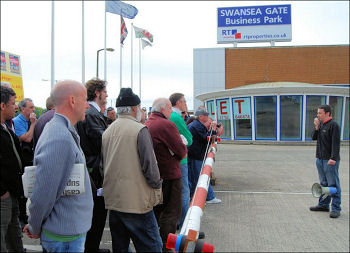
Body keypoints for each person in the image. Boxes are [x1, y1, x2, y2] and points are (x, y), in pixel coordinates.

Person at [23, 80, 93, 252]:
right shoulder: (59, 136)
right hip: (64, 237)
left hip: (66, 234)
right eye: (84, 100)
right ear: (72, 100)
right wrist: (34, 225)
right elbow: (44, 191)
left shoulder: (62, 129)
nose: (88, 106)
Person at [102, 88, 163, 252]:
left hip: (114, 200)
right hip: (137, 202)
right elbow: (150, 167)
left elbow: (104, 165)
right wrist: (157, 187)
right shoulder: (139, 130)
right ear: (135, 108)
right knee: (152, 246)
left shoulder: (107, 131)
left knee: (120, 247)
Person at [145, 98, 187, 250]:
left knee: (156, 212)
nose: (171, 112)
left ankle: (156, 243)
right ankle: (166, 246)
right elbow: (181, 151)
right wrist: (182, 148)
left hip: (154, 175)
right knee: (171, 212)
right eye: (170, 109)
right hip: (169, 175)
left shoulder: (147, 123)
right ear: (163, 109)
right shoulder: (166, 125)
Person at [75, 78, 109, 252]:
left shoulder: (92, 114)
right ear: (97, 93)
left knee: (96, 219)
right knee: (95, 219)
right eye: (105, 91)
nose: (107, 95)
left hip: (93, 170)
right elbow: (102, 142)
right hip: (94, 172)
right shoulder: (91, 115)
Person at [0, 86, 25, 252]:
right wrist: (2, 191)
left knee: (14, 237)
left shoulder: (5, 127)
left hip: (12, 194)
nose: (15, 106)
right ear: (2, 105)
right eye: (13, 103)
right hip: (4, 196)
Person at [310, 104, 341, 218]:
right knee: (324, 184)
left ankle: (336, 208)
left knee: (333, 185)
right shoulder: (321, 124)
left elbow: (336, 144)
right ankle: (323, 205)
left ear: (327, 113)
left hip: (330, 160)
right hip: (320, 159)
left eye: (320, 113)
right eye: (317, 113)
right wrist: (316, 128)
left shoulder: (333, 125)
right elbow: (313, 137)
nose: (317, 115)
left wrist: (333, 158)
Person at [168, 93, 193, 229]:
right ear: (178, 103)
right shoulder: (176, 117)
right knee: (184, 191)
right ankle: (184, 223)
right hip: (181, 160)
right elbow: (189, 139)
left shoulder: (170, 116)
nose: (185, 103)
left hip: (171, 159)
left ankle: (178, 221)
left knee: (176, 192)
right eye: (184, 101)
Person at [187, 107, 221, 204]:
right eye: (206, 115)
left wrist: (212, 130)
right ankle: (207, 197)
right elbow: (206, 138)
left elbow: (206, 137)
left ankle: (199, 197)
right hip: (196, 155)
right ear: (200, 116)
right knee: (200, 177)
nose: (208, 117)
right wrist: (213, 130)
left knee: (198, 177)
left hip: (196, 155)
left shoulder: (197, 125)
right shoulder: (196, 126)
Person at [12, 98, 37, 228]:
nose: (34, 110)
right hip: (21, 160)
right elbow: (27, 138)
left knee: (28, 189)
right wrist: (33, 125)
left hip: (29, 159)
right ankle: (21, 216)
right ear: (23, 109)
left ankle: (23, 215)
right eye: (31, 107)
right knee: (22, 190)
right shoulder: (18, 122)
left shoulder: (28, 121)